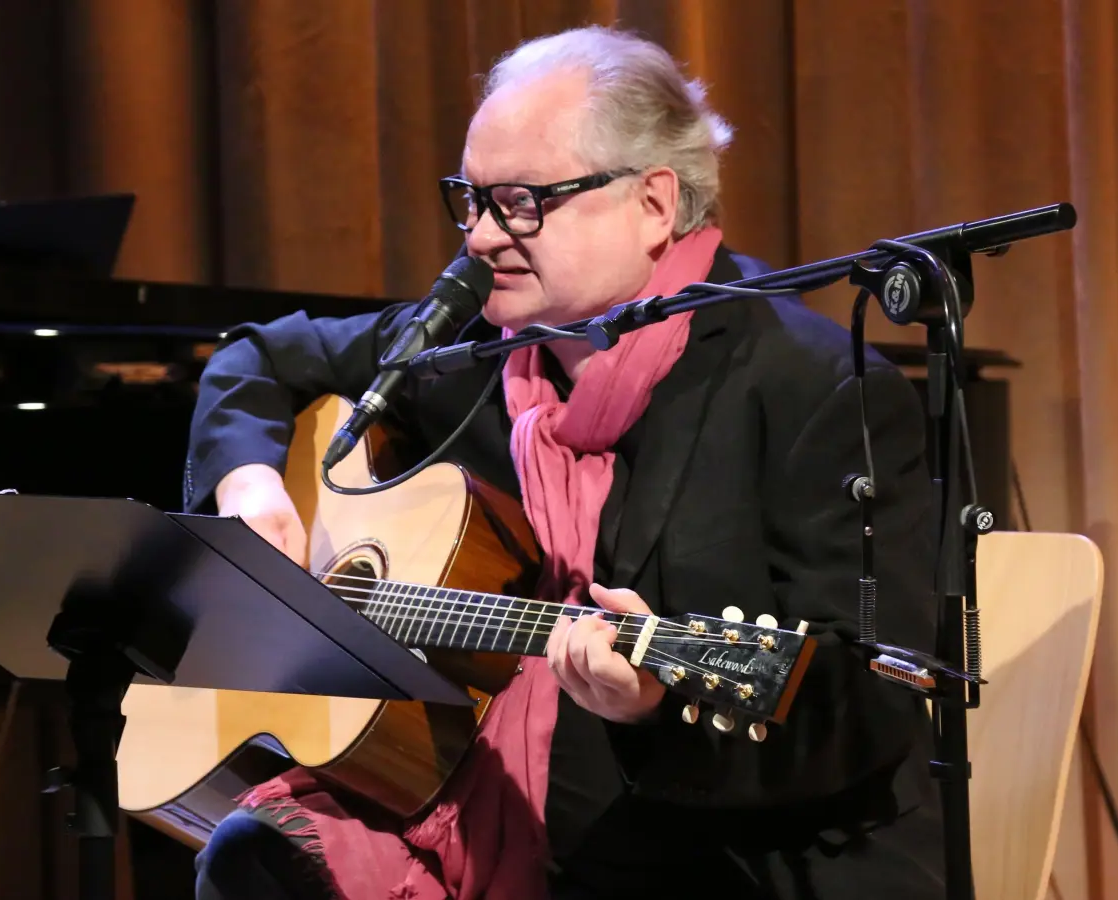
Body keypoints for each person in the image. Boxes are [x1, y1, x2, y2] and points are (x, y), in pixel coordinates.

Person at [183, 24, 944, 900]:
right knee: (252, 861)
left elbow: (869, 710)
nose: (479, 238)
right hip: (470, 801)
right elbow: (255, 359)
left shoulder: (815, 389)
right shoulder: (468, 353)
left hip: (725, 849)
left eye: (520, 202)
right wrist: (247, 485)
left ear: (655, 203)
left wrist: (655, 713)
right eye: (469, 201)